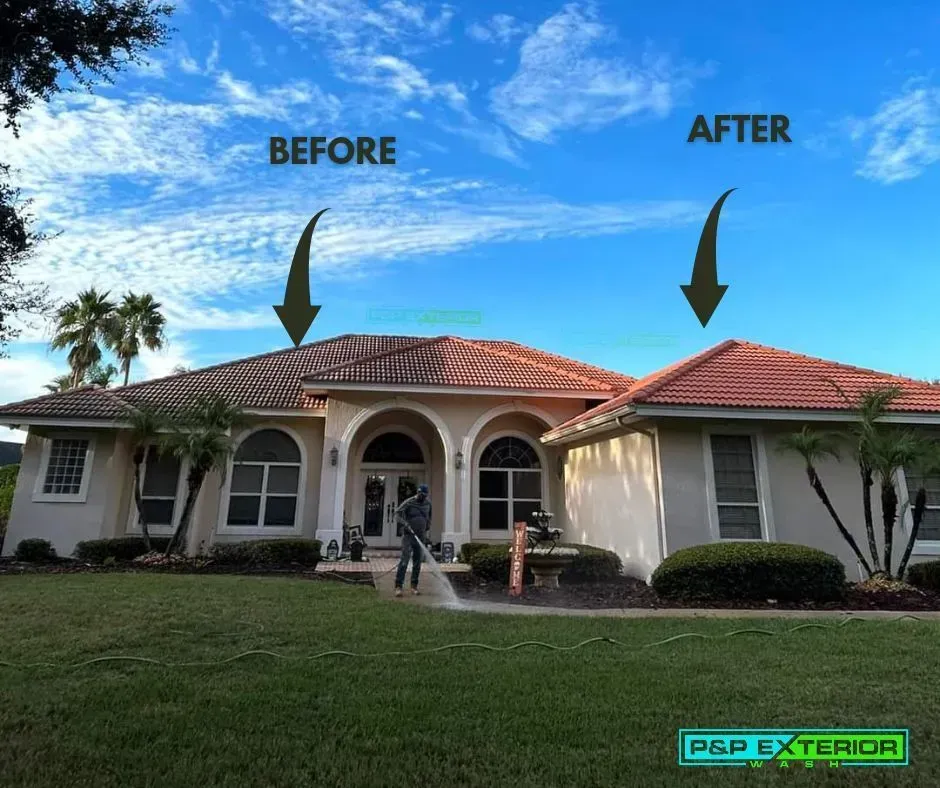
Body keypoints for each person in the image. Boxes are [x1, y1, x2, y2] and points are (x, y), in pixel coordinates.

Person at [394, 484, 431, 596]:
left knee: (417, 561)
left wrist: (426, 527)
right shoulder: (409, 502)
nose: (422, 497)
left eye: (424, 495)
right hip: (408, 536)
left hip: (421, 536)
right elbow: (397, 514)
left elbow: (429, 517)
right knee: (404, 560)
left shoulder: (428, 504)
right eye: (420, 494)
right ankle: (398, 586)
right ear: (417, 492)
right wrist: (405, 524)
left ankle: (414, 586)